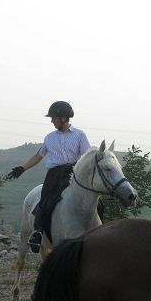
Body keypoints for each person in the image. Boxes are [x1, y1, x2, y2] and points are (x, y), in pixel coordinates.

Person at [7, 100, 91, 253]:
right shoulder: (49, 138)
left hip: (73, 172)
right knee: (45, 201)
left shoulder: (80, 135)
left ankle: (97, 229)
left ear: (64, 118)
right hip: (54, 174)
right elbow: (39, 155)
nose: (51, 121)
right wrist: (22, 168)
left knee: (94, 201)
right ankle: (38, 233)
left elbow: (87, 156)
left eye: (54, 118)